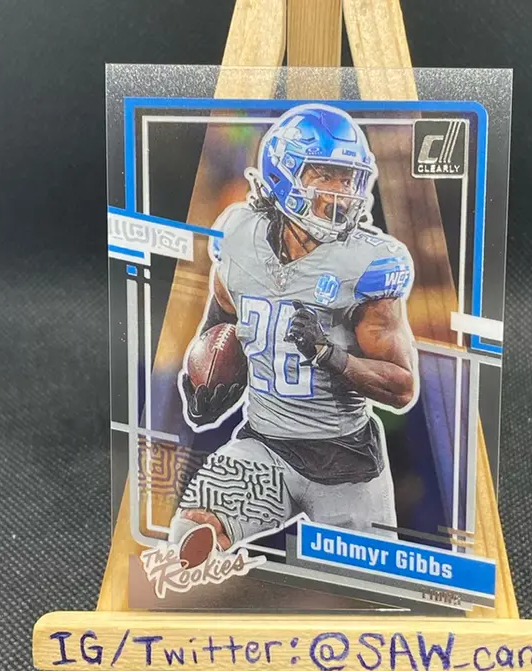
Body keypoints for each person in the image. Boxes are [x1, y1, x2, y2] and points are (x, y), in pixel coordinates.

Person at [171, 103, 418, 550]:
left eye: (349, 178)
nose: (341, 192)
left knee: (357, 584)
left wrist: (331, 356)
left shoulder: (369, 263)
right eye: (325, 175)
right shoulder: (238, 236)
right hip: (264, 446)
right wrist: (207, 386)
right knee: (192, 536)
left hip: (344, 462)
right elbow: (223, 320)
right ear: (283, 174)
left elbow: (401, 387)